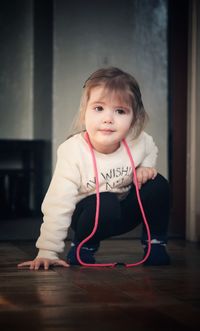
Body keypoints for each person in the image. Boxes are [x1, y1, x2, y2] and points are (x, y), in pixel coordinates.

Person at [18, 67, 170, 270]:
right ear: (84, 112)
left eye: (120, 111)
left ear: (134, 119)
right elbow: (58, 202)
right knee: (105, 201)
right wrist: (47, 251)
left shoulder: (138, 141)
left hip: (123, 211)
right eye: (99, 108)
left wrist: (146, 166)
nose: (108, 119)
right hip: (89, 216)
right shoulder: (72, 151)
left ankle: (155, 245)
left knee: (157, 183)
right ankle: (84, 246)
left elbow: (150, 147)